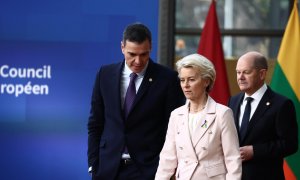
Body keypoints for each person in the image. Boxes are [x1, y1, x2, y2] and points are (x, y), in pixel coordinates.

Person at [87, 23, 185, 180]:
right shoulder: (105, 75)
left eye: (144, 54)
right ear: (122, 47)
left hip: (149, 170)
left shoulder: (167, 79)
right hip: (108, 169)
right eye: (132, 54)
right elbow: (95, 124)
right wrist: (93, 164)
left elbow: (174, 128)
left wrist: (165, 167)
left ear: (151, 47)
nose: (138, 61)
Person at [155, 54, 242, 180]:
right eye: (182, 80)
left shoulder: (222, 114)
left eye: (191, 79)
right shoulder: (176, 115)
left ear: (206, 81)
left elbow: (233, 159)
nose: (185, 85)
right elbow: (167, 159)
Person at [228, 51, 298, 180]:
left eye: (246, 72)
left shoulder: (281, 104)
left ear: (262, 74)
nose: (240, 77)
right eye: (238, 72)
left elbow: (290, 144)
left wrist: (255, 151)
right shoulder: (233, 101)